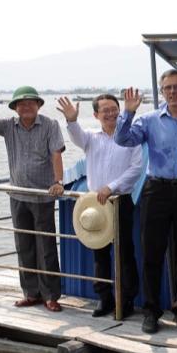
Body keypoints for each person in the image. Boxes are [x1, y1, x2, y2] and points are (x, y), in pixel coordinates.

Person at [114, 69, 177, 334]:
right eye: (167, 88)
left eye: (176, 87)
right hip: (156, 190)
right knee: (152, 252)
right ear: (162, 92)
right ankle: (151, 311)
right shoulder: (148, 120)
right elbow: (122, 139)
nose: (172, 92)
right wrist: (128, 112)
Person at [0, 79, 65, 312]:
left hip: (41, 195)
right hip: (18, 196)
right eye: (21, 104)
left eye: (30, 103)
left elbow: (56, 154)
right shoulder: (9, 126)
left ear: (38, 105)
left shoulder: (50, 125)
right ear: (14, 108)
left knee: (46, 247)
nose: (26, 108)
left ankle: (51, 295)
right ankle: (31, 293)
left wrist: (58, 181)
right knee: (24, 246)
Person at [57, 94, 142, 318]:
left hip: (120, 200)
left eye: (114, 109)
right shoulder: (91, 138)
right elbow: (76, 136)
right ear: (96, 115)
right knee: (100, 253)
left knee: (125, 253)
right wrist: (71, 120)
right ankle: (104, 298)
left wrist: (111, 186)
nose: (111, 113)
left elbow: (136, 169)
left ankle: (127, 300)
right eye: (105, 110)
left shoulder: (131, 137)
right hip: (96, 203)